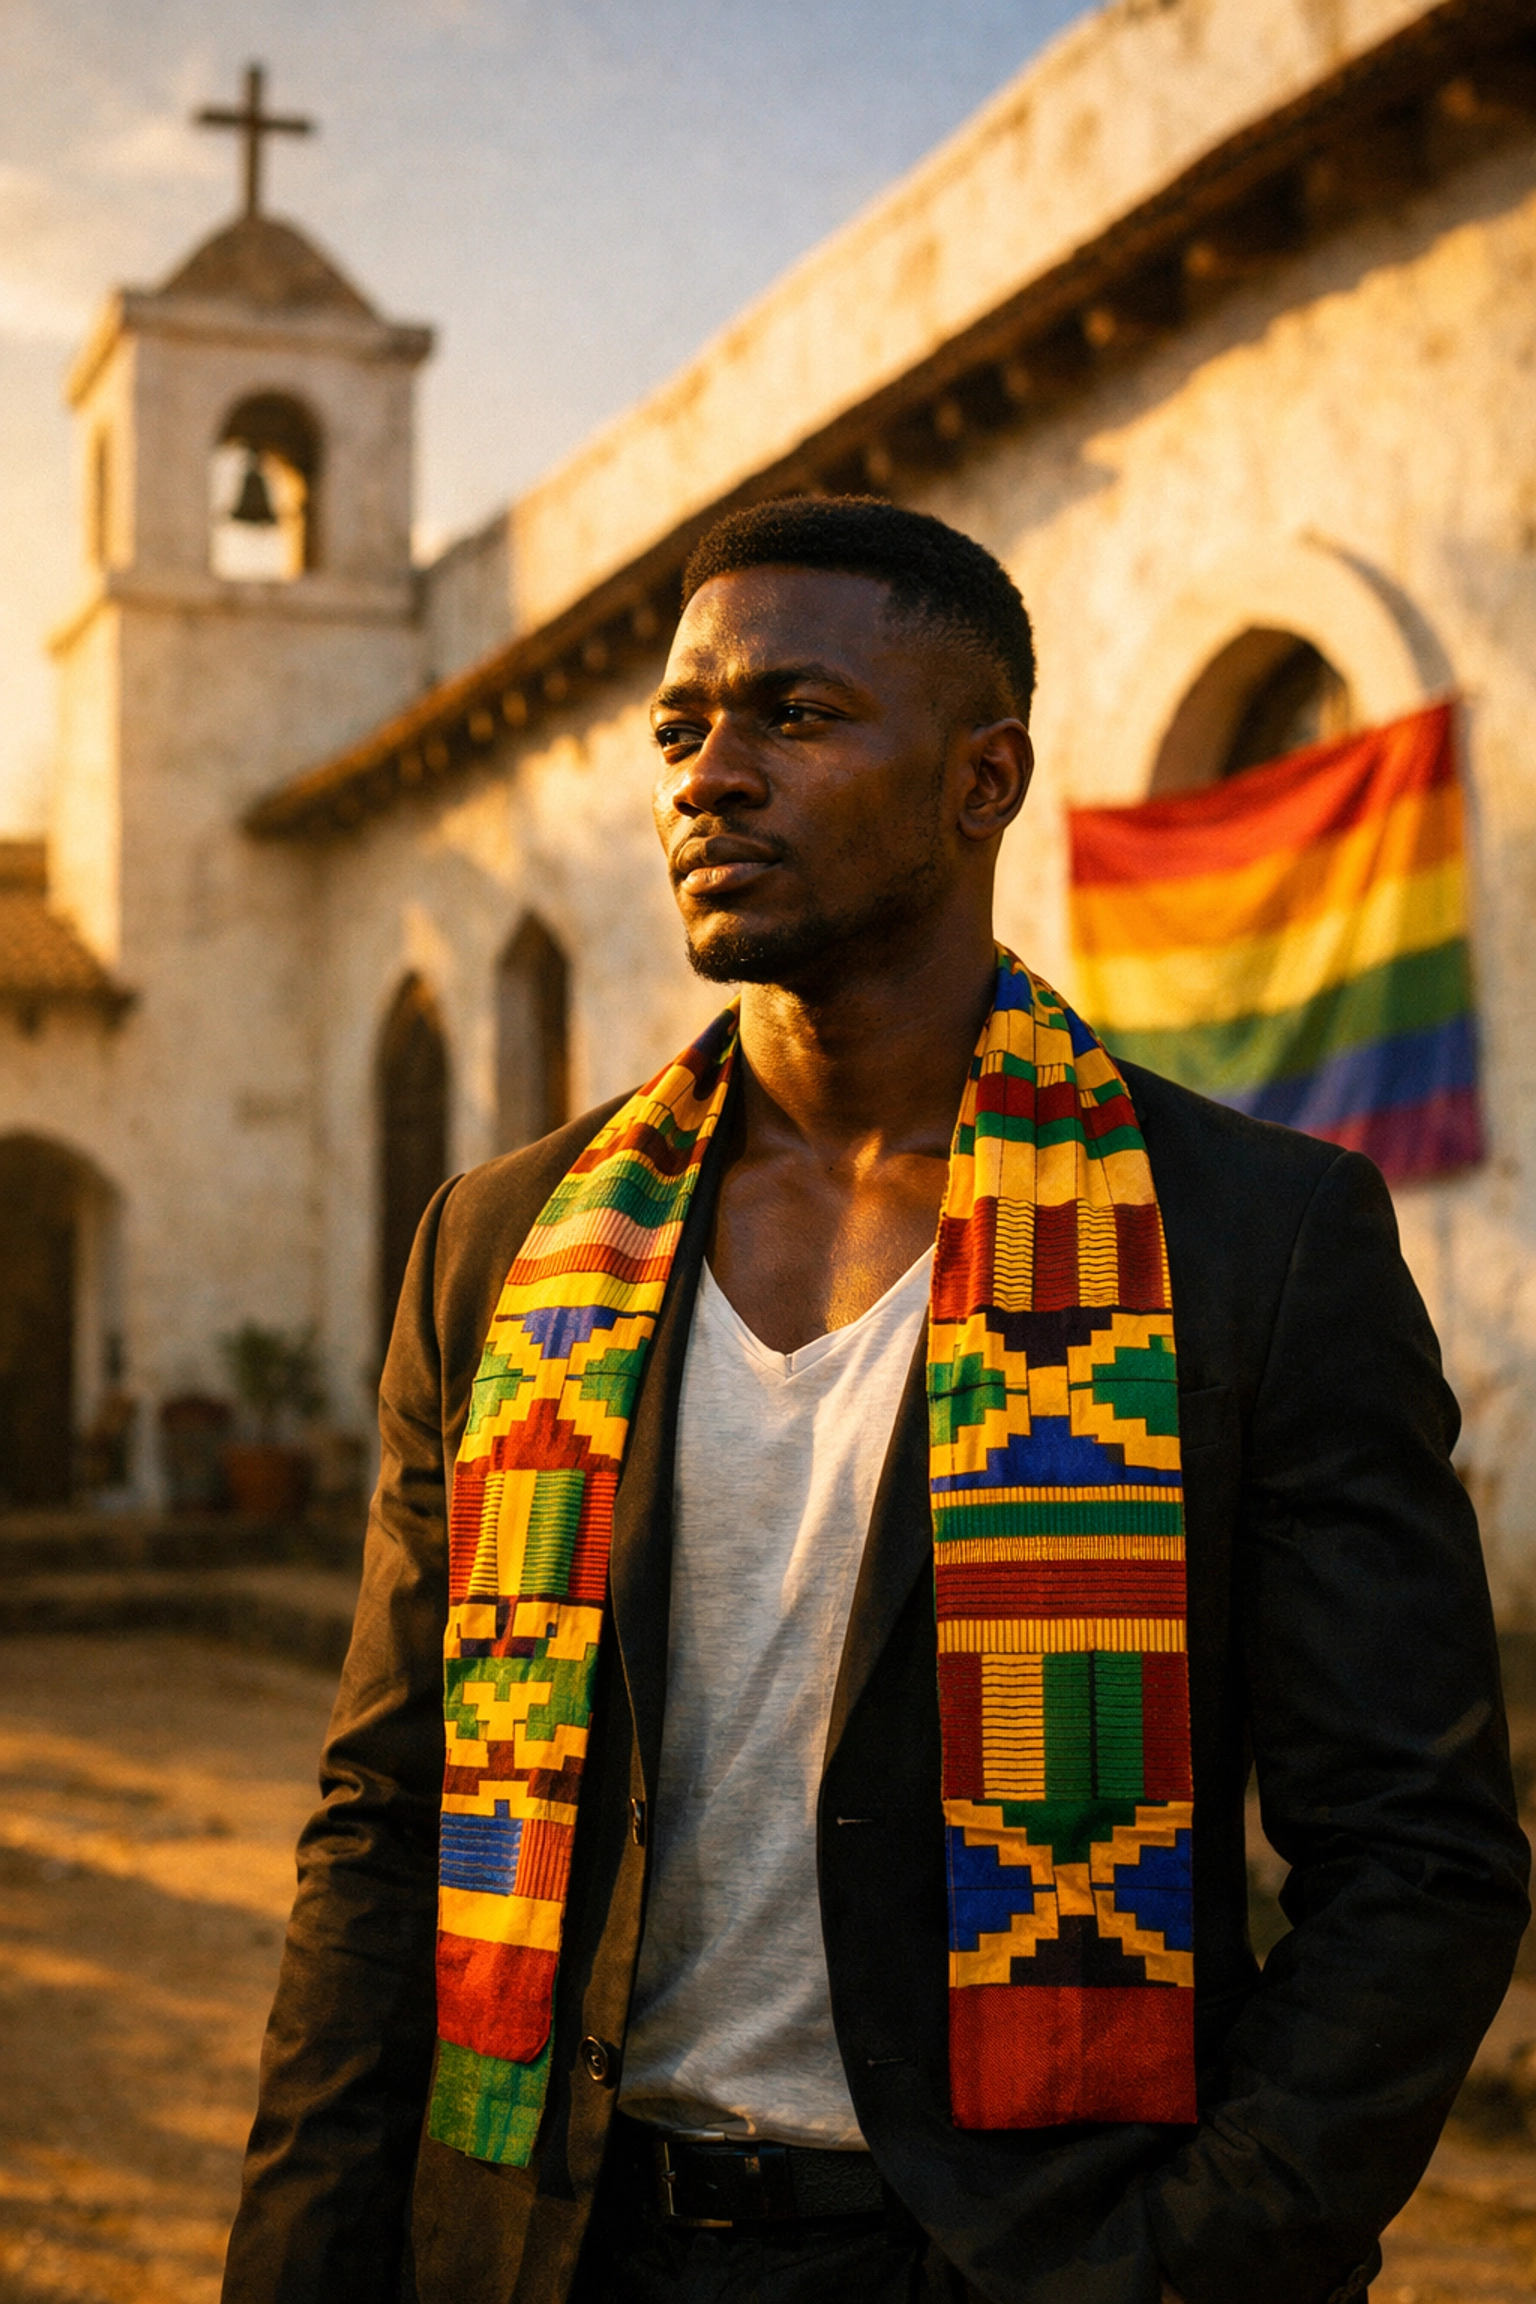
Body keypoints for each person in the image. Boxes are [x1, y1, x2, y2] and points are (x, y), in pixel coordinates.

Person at [222, 498, 1528, 2304]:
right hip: (556, 2241)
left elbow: (1416, 1861)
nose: (712, 776)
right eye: (683, 727)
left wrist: (1189, 2261)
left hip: (1017, 2257)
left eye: (797, 717)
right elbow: (385, 1819)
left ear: (983, 778)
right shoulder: (511, 1253)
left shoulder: (1248, 1241)